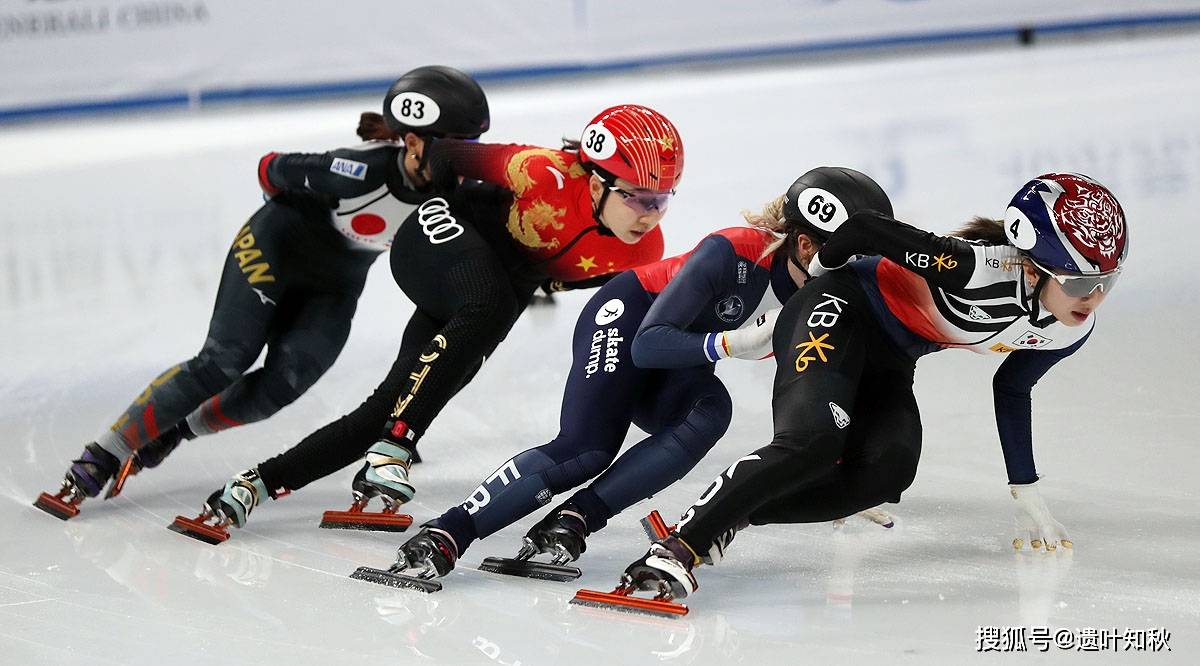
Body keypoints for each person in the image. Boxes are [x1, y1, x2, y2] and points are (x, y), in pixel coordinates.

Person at [617, 172, 1129, 604]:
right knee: (815, 441)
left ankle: (729, 516)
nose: (1094, 298)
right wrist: (818, 275)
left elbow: (1013, 390)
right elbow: (864, 228)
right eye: (1081, 283)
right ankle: (678, 547)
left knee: (887, 471)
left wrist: (1025, 486)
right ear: (1033, 264)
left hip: (891, 357)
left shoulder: (1069, 328)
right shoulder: (973, 268)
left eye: (1108, 281)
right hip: (838, 309)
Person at [371, 167, 895, 582]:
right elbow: (649, 344)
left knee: (711, 413)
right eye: (853, 258)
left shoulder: (823, 300)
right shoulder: (733, 251)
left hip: (681, 363)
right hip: (628, 319)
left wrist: (842, 466)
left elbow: (816, 392)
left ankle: (573, 520)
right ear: (807, 246)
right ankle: (449, 532)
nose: (862, 274)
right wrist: (731, 343)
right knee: (586, 450)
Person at [185, 104, 686, 535]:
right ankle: (396, 448)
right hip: (439, 235)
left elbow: (580, 290)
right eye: (638, 197)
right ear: (596, 180)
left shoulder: (643, 249)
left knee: (393, 400)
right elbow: (445, 154)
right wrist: (422, 175)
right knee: (485, 308)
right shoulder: (540, 171)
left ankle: (252, 485)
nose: (650, 214)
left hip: (490, 290)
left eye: (662, 200)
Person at [34, 66, 491, 520]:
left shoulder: (460, 196)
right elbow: (270, 169)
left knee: (281, 387)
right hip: (276, 247)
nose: (467, 159)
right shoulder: (356, 172)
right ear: (413, 142)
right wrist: (290, 225)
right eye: (457, 147)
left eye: (472, 147)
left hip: (336, 283)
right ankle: (103, 454)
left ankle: (172, 433)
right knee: (224, 360)